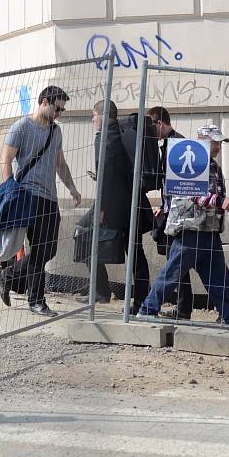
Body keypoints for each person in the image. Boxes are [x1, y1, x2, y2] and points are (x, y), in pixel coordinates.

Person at [137, 124, 229, 326]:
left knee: (218, 276)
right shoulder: (192, 164)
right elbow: (189, 192)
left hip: (209, 229)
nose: (218, 146)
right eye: (214, 142)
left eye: (219, 142)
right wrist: (220, 201)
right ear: (202, 140)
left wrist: (223, 202)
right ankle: (147, 310)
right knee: (173, 273)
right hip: (190, 229)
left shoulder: (213, 166)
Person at [0, 85, 81, 317]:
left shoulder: (56, 132)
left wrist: (72, 188)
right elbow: (5, 159)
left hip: (50, 198)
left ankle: (8, 275)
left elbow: (60, 163)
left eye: (62, 110)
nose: (59, 114)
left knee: (48, 250)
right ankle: (36, 300)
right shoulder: (22, 127)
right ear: (44, 102)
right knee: (40, 249)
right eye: (57, 108)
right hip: (28, 196)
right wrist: (9, 189)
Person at [78, 100, 151, 312]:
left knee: (82, 234)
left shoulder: (105, 138)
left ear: (101, 115)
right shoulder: (122, 133)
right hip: (131, 203)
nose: (92, 119)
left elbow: (105, 176)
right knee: (136, 253)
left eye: (94, 115)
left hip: (114, 207)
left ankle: (106, 292)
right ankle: (134, 300)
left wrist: (101, 210)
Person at [146, 106, 193, 320]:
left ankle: (183, 309)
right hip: (171, 210)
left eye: (151, 127)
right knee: (175, 261)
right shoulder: (168, 144)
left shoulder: (177, 145)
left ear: (160, 123)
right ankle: (183, 308)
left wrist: (169, 207)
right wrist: (163, 205)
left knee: (177, 262)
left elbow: (182, 184)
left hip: (178, 214)